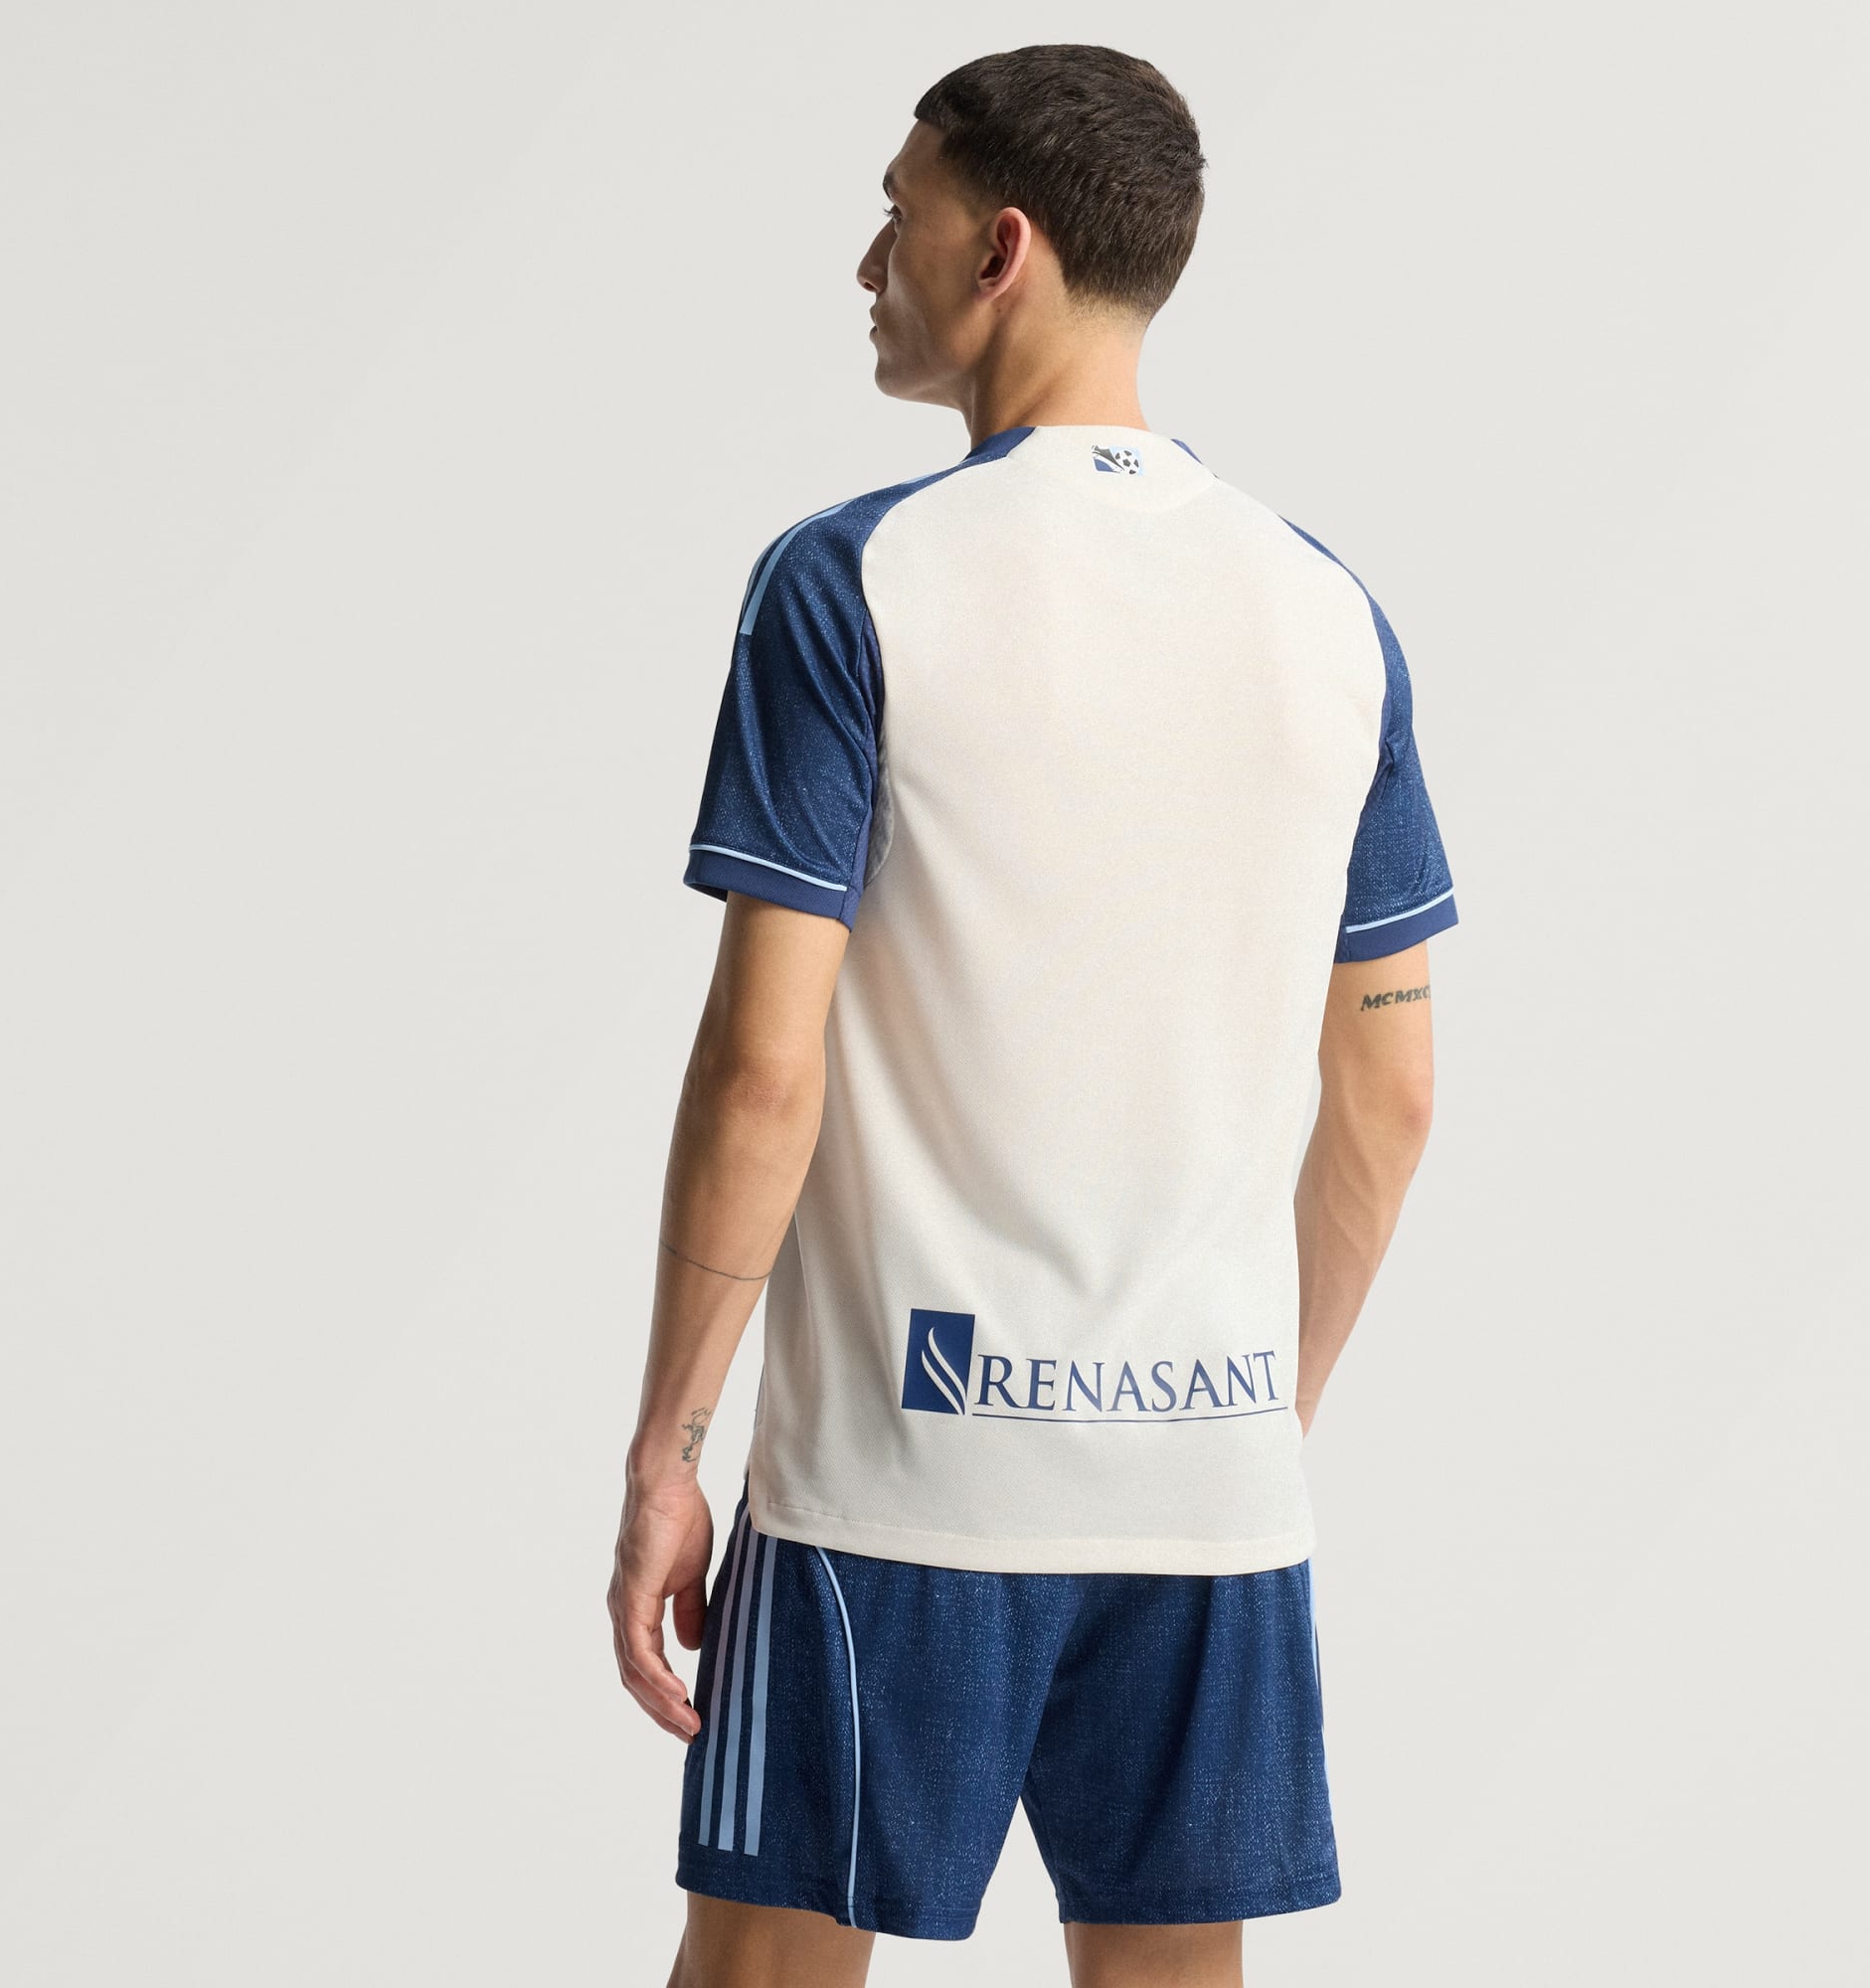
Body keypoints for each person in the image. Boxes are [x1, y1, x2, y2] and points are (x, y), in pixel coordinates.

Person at [608, 42, 1459, 1988]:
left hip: (896, 1477)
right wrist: (1244, 1422)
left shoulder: (850, 584)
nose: (866, 265)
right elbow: (1392, 1091)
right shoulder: (1327, 611)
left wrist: (669, 1447)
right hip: (1209, 1482)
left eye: (892, 216)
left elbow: (761, 1070)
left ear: (1000, 248)